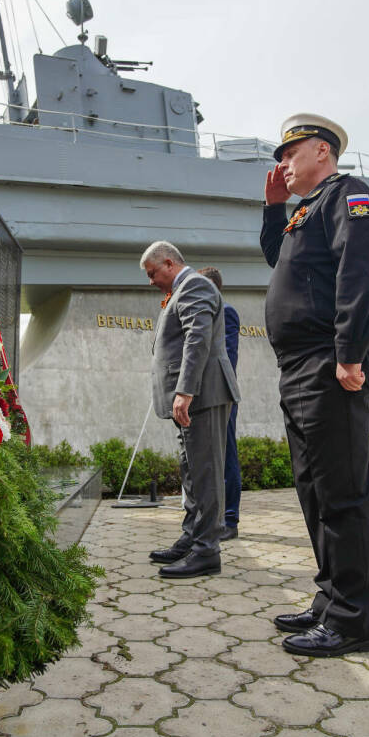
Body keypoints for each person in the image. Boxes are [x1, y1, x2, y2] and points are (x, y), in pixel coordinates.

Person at [260, 112, 369, 657]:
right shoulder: (306, 210)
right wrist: (273, 209)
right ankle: (331, 600)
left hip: (328, 363)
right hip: (298, 368)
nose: (283, 165)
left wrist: (350, 352)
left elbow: (360, 272)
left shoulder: (349, 196)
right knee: (314, 492)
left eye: (290, 154)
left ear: (322, 152)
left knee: (342, 494)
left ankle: (353, 622)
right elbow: (279, 260)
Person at [142, 241, 241, 576]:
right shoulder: (182, 290)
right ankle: (191, 538)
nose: (151, 281)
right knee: (192, 473)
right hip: (194, 398)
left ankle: (206, 551)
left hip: (203, 395)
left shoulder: (195, 285)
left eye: (153, 272)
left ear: (169, 263)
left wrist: (184, 390)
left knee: (206, 474)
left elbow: (197, 338)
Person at [199, 266, 242, 539]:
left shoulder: (226, 312)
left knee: (226, 457)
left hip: (221, 395)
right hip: (202, 397)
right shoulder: (203, 315)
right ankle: (212, 519)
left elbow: (226, 359)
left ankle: (230, 520)